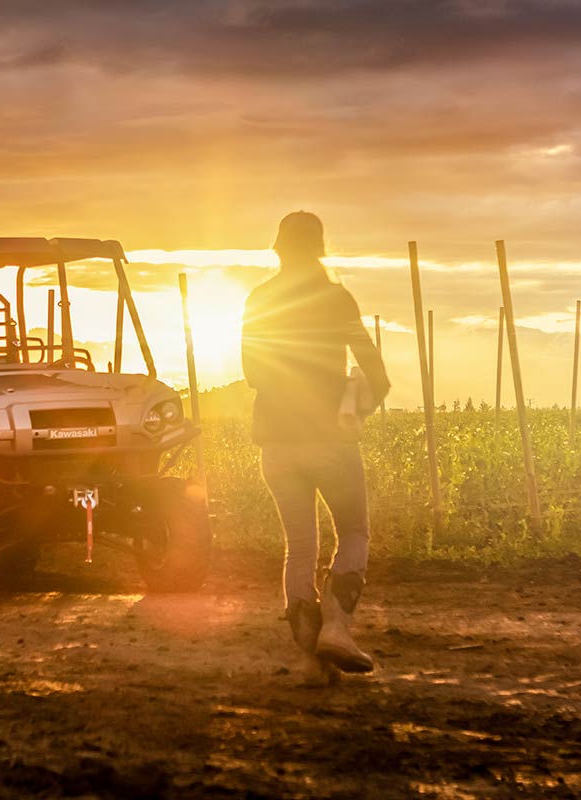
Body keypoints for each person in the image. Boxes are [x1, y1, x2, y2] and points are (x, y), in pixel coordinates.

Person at [241, 211, 391, 686]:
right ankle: (338, 630)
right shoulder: (336, 298)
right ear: (320, 249)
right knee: (354, 532)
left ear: (279, 249)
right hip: (329, 436)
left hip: (276, 443)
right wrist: (357, 404)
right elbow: (375, 370)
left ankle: (310, 660)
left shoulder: (259, 300)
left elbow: (252, 374)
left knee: (299, 547)